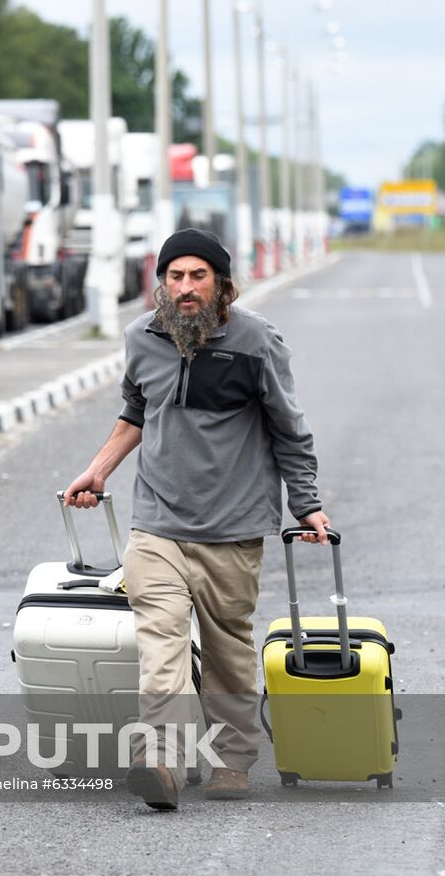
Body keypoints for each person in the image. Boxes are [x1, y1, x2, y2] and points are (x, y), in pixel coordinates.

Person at [63, 228, 330, 811]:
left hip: (232, 528)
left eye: (197, 276)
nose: (184, 288)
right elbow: (135, 411)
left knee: (229, 647)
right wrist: (98, 469)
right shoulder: (142, 337)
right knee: (160, 642)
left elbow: (290, 428)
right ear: (161, 282)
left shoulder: (256, 340)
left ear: (222, 284)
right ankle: (159, 758)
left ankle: (232, 758)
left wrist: (305, 502)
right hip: (156, 522)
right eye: (174, 276)